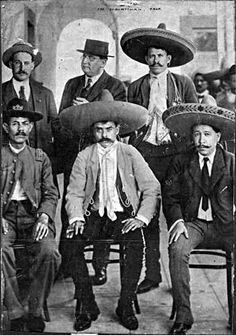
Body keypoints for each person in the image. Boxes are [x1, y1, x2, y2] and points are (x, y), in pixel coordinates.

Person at [59, 90, 161, 331]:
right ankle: (87, 303)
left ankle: (125, 305)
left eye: (108, 129)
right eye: (99, 130)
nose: (104, 135)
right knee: (70, 244)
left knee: (136, 244)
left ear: (117, 129)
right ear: (93, 131)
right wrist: (75, 218)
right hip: (93, 215)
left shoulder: (130, 153)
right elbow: (73, 192)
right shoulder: (84, 156)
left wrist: (141, 217)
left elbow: (152, 186)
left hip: (123, 215)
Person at [120, 23, 198, 294]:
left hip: (175, 154)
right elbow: (130, 122)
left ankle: (179, 277)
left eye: (160, 55)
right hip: (147, 154)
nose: (155, 60)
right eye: (151, 55)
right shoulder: (137, 86)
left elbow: (192, 120)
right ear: (146, 58)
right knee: (148, 214)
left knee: (177, 214)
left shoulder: (182, 83)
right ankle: (152, 274)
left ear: (169, 59)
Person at [162, 103, 235, 335]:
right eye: (196, 134)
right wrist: (178, 221)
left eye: (206, 135)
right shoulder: (181, 161)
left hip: (226, 226)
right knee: (177, 248)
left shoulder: (232, 161)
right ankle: (183, 315)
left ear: (218, 136)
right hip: (193, 223)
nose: (201, 141)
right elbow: (170, 197)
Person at [58, 39, 126, 283]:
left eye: (92, 58)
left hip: (102, 158)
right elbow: (61, 120)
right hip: (73, 158)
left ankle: (100, 265)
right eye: (84, 56)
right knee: (71, 207)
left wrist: (89, 112)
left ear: (103, 62)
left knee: (100, 207)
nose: (85, 61)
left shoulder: (116, 87)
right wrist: (71, 120)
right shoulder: (72, 84)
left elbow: (115, 122)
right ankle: (67, 262)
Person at [1, 98, 61, 332]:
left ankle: (35, 310)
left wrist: (45, 217)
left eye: (25, 123)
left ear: (31, 127)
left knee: (49, 252)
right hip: (5, 217)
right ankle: (15, 312)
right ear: (6, 127)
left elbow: (50, 193)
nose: (20, 129)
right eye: (15, 123)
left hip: (33, 216)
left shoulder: (40, 157)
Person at [2, 40, 61, 185]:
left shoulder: (45, 94)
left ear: (33, 65)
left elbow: (57, 129)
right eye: (17, 63)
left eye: (27, 63)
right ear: (10, 64)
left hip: (40, 169)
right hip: (7, 170)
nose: (22, 68)